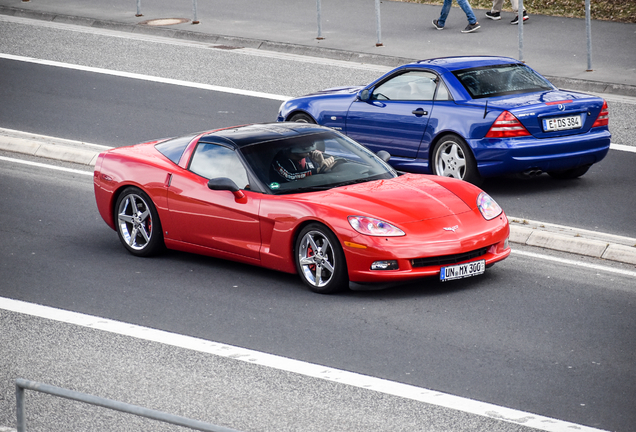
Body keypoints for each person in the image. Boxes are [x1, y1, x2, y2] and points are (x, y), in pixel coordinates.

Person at [270, 143, 336, 183]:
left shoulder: (312, 157)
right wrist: (318, 170)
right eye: (304, 144)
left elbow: (323, 177)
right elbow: (290, 176)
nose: (310, 146)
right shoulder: (279, 160)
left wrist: (320, 162)